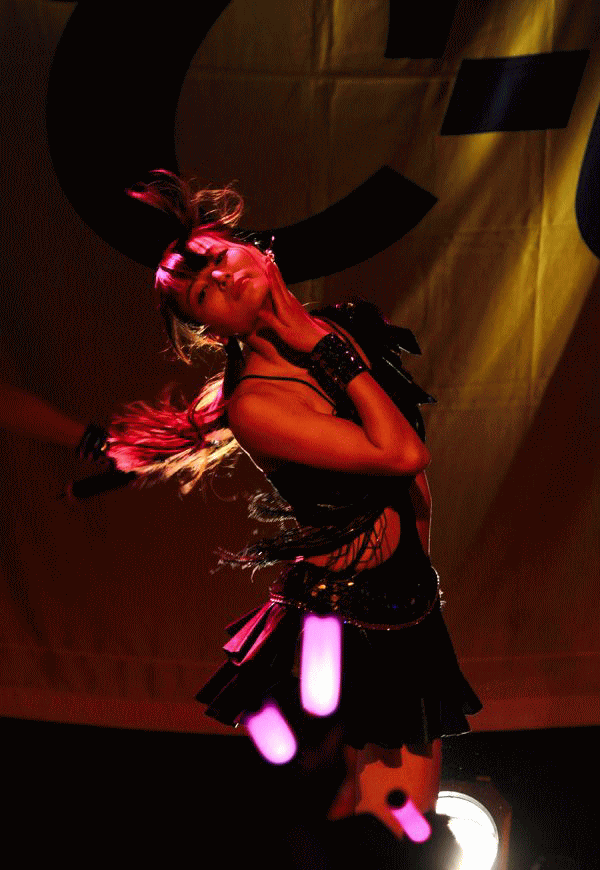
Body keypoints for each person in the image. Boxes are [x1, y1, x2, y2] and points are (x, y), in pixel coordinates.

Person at [82, 170, 482, 835]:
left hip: (408, 604)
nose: (220, 276)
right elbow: (403, 454)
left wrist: (423, 578)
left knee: (411, 826)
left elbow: (410, 482)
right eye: (201, 293)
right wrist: (323, 352)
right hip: (341, 626)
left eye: (218, 256)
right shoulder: (256, 404)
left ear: (255, 247)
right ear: (206, 328)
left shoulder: (342, 325)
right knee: (372, 830)